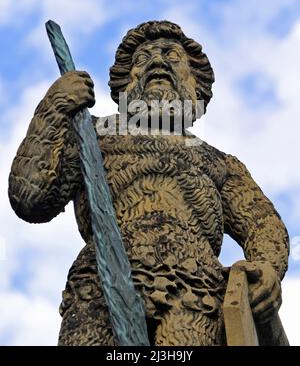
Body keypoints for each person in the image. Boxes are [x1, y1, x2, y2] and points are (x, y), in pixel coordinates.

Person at [8, 20, 289, 345]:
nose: (157, 62)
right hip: (100, 283)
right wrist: (53, 110)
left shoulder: (218, 163)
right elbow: (31, 196)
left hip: (195, 289)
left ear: (195, 87)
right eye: (142, 60)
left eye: (171, 56)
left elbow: (262, 224)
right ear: (123, 87)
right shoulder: (92, 136)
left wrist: (265, 267)